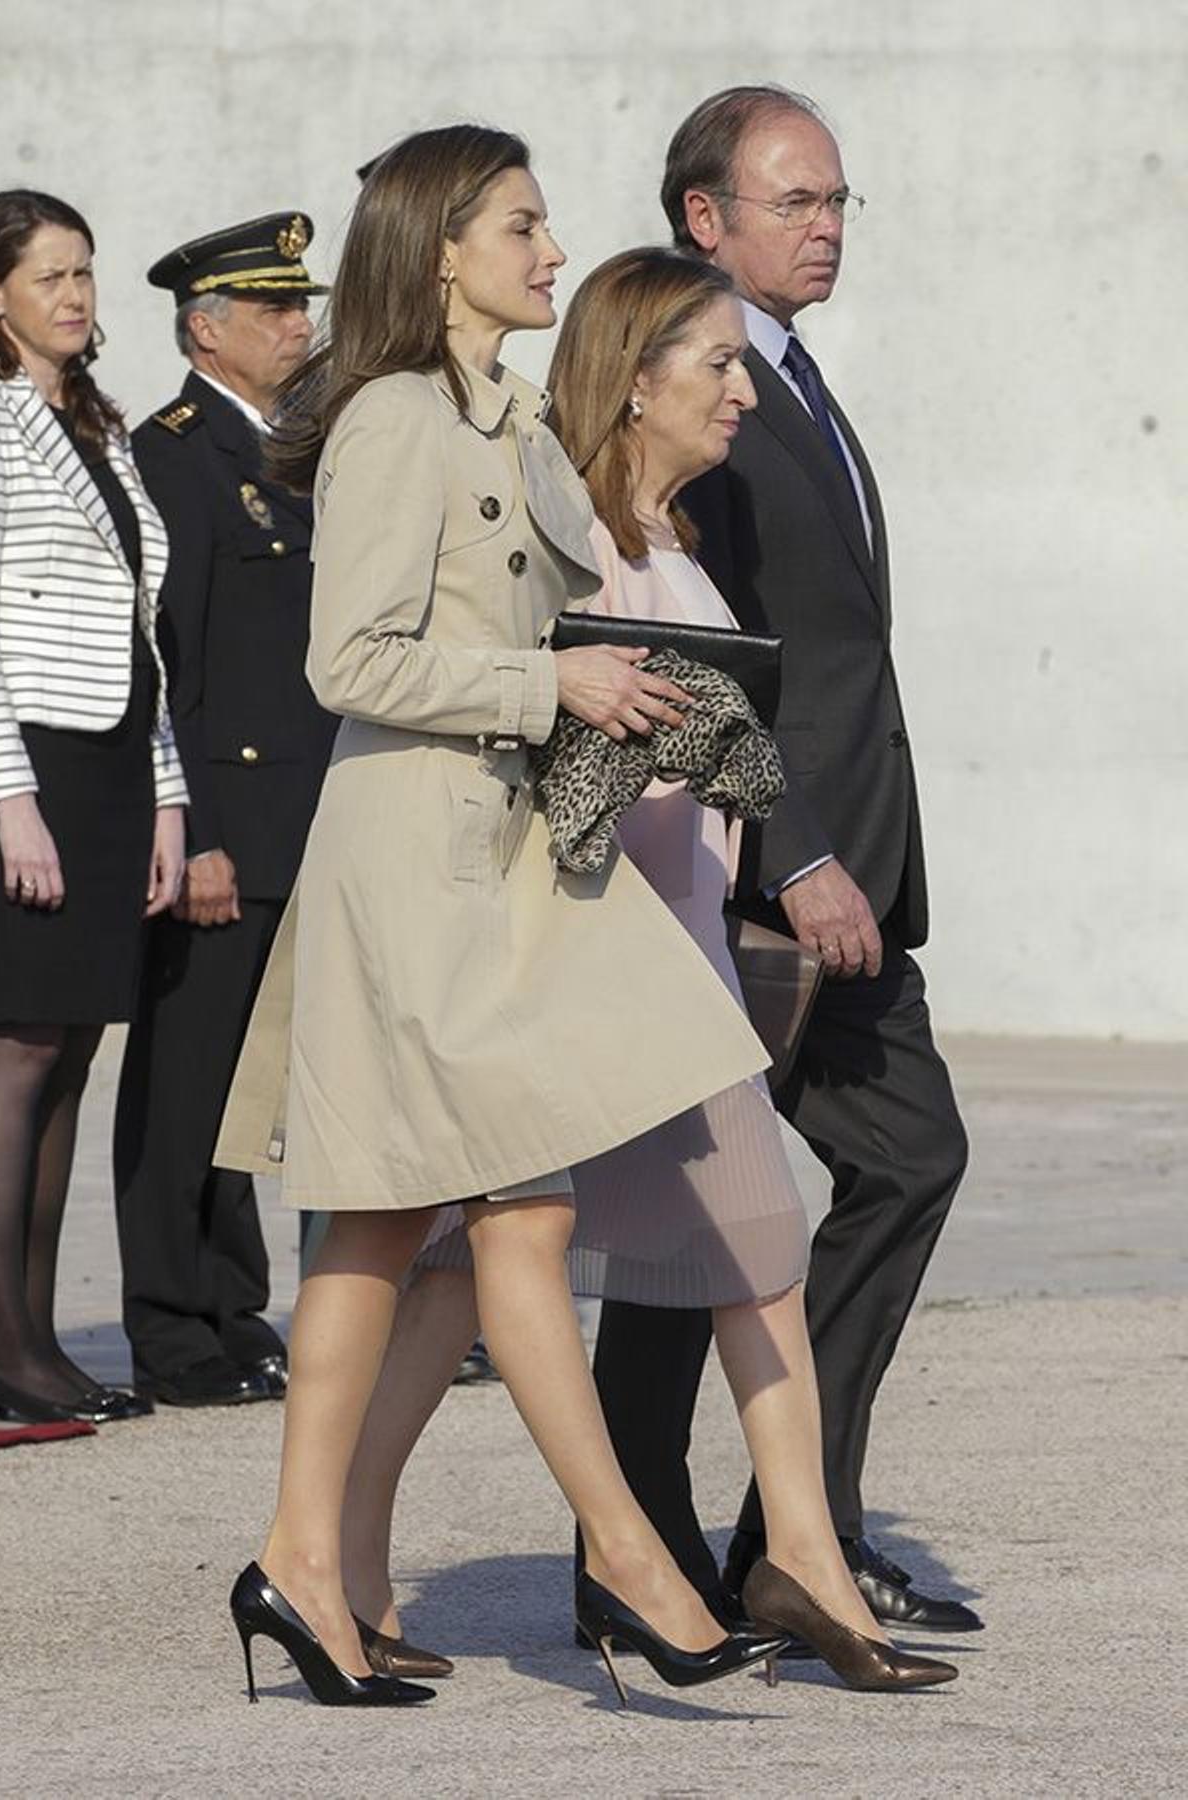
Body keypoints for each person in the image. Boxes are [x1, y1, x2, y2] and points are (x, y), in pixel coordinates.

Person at [216, 124, 789, 1708]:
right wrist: (548, 680)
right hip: (414, 862)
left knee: (387, 1226)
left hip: (510, 861)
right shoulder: (397, 420)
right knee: (511, 1213)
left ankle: (303, 1564)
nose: (552, 251)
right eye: (523, 226)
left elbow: (562, 639)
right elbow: (354, 664)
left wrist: (665, 707)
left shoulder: (520, 422)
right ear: (441, 248)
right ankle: (627, 1551)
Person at [355, 246, 958, 1693]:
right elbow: (553, 781)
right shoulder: (576, 552)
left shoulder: (675, 551)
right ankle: (340, 1557)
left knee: (756, 1251)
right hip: (576, 982)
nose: (744, 393)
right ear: (638, 382)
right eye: (716, 367)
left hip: (674, 976)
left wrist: (766, 820)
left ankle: (798, 1557)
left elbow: (711, 761)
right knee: (446, 1282)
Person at [588, 85, 979, 1633]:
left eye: (836, 203)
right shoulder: (696, 390)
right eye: (793, 201)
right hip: (762, 881)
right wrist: (797, 854)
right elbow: (701, 653)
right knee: (700, 1210)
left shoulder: (779, 380)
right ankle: (671, 1549)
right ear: (706, 218)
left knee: (858, 1173)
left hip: (848, 872)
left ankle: (780, 1535)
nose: (824, 228)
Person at [111, 214, 336, 1409]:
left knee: (253, 1088)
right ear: (210, 328)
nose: (303, 327)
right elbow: (171, 663)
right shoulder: (176, 454)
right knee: (188, 1078)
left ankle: (232, 1303)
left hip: (297, 814)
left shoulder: (289, 452)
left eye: (303, 307)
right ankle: (170, 1324)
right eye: (277, 310)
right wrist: (188, 826)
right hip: (221, 820)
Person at [0, 189, 187, 1426]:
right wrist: (8, 799)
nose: (73, 294)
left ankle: (34, 1333)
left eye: (84, 272)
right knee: (14, 1053)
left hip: (115, 766)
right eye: (47, 275)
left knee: (72, 1053)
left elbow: (140, 630)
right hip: (35, 768)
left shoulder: (98, 427)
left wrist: (166, 798)